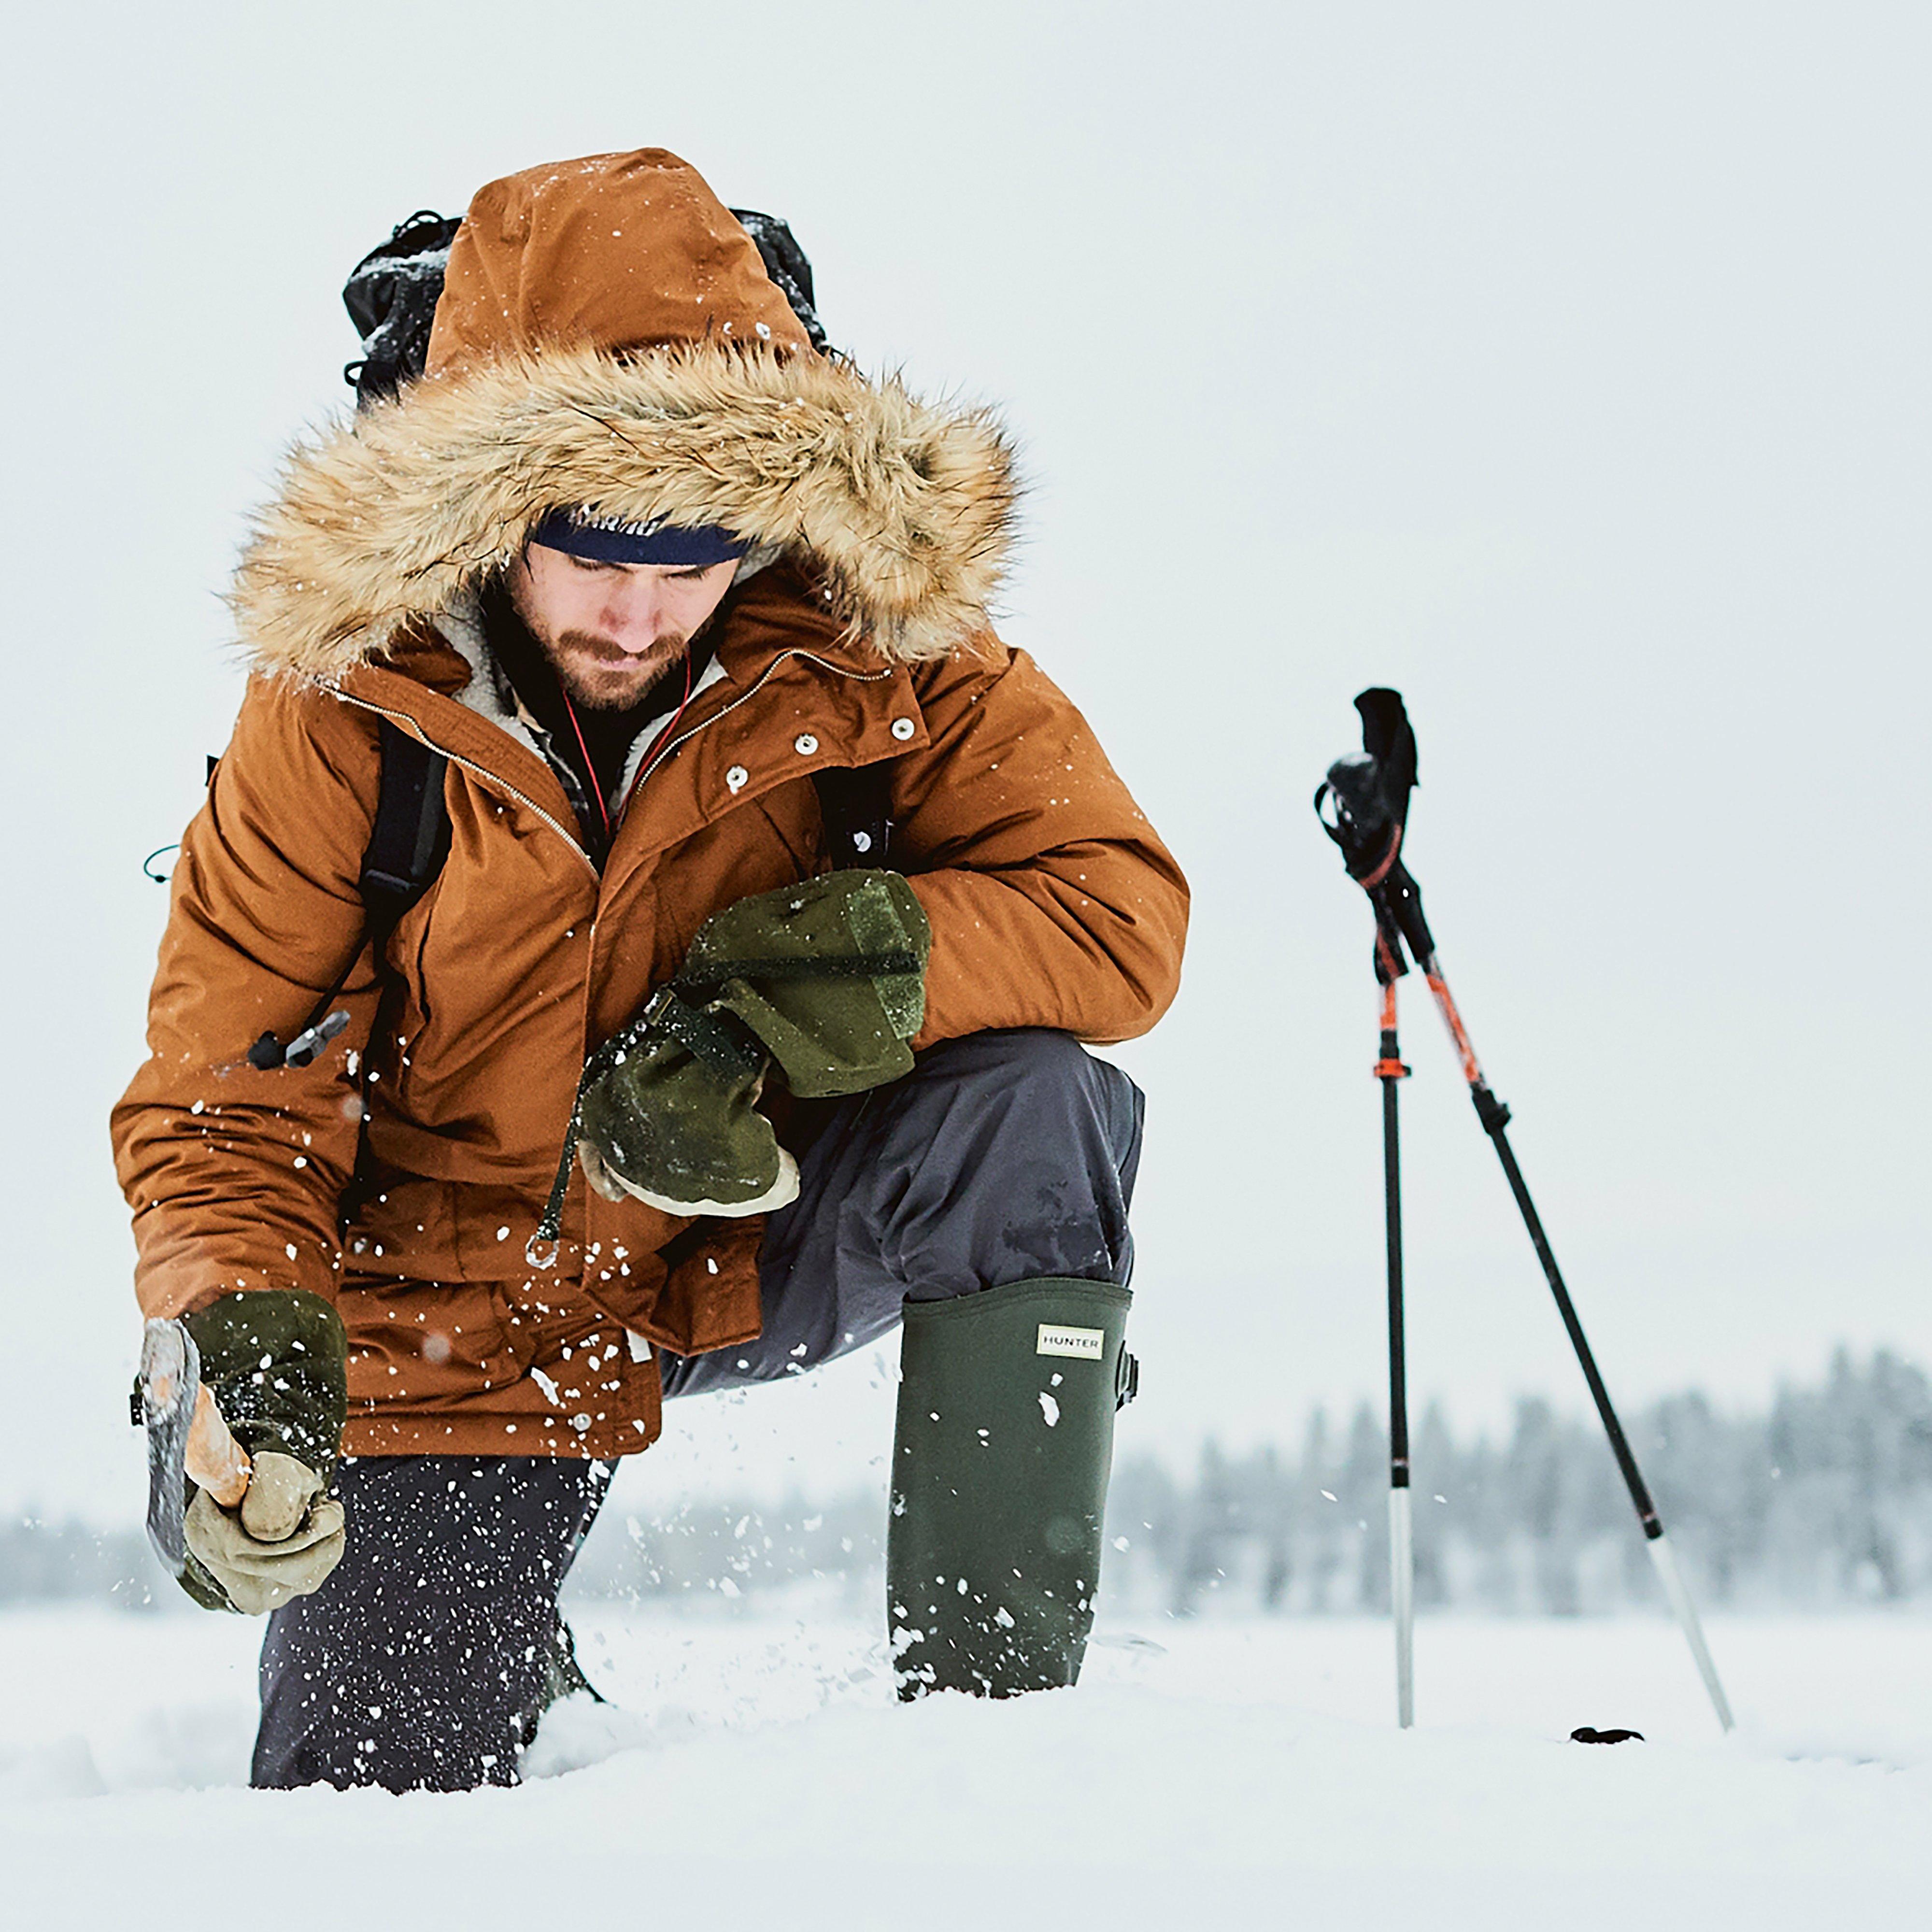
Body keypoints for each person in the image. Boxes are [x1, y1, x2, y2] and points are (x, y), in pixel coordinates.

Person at [113, 147, 1188, 1793]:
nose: (639, 614)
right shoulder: (336, 705)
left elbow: (1115, 909)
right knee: (362, 1819)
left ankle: (1002, 1757)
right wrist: (242, 1352)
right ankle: (509, 1650)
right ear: (492, 518)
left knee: (1038, 1107)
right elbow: (220, 1100)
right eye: (593, 557)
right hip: (470, 1318)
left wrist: (808, 982)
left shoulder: (873, 641)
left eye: (692, 560)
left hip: (748, 1219)